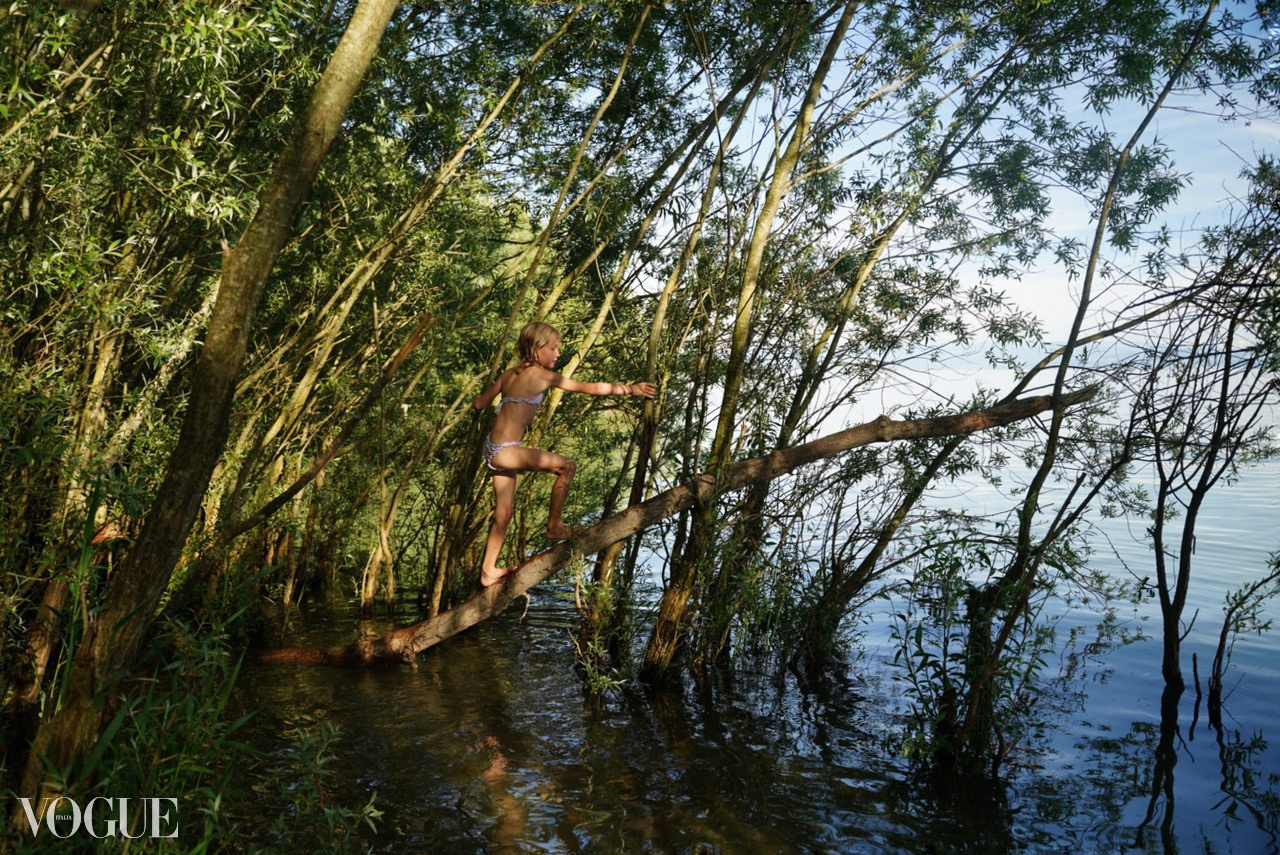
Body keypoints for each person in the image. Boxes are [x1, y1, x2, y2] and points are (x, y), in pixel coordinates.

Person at [471, 321, 656, 587]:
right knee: (567, 466)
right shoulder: (542, 376)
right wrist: (630, 389)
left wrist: (497, 401)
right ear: (535, 349)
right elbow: (591, 388)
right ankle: (555, 526)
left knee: (504, 513)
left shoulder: (509, 374)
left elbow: (479, 404)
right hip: (506, 451)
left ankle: (488, 571)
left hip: (493, 448)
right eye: (553, 348)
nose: (558, 354)